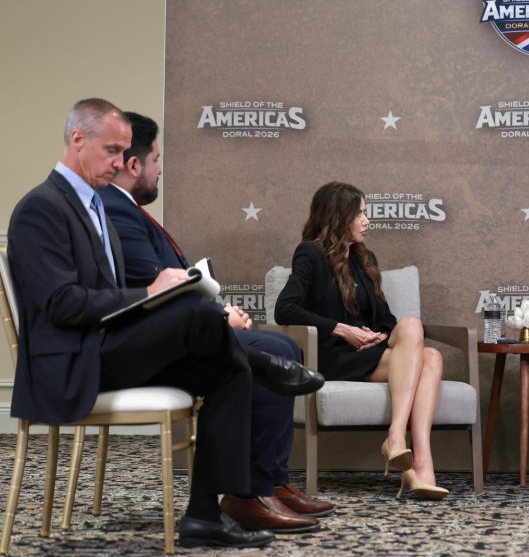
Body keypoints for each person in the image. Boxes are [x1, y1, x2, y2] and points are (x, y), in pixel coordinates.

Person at [6, 98, 323, 549]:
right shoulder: (41, 208)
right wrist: (152, 293)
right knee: (197, 311)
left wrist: (159, 295)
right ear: (78, 139)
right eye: (112, 151)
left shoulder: (94, 206)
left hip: (104, 348)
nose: (120, 164)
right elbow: (60, 304)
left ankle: (203, 517)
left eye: (124, 153)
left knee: (232, 370)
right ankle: (264, 361)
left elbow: (106, 300)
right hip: (73, 363)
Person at [98, 112, 334, 533]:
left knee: (278, 349)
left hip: (174, 333)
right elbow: (152, 287)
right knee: (276, 350)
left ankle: (269, 484)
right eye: (157, 159)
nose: (160, 168)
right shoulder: (118, 212)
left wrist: (217, 310)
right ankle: (250, 493)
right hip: (149, 348)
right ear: (134, 166)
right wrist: (220, 313)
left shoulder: (125, 210)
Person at [275, 181, 448, 500]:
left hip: (369, 352)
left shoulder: (364, 258)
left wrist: (377, 335)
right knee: (429, 356)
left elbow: (385, 317)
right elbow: (285, 308)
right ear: (337, 217)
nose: (367, 221)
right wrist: (342, 329)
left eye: (366, 213)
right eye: (359, 214)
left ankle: (415, 457)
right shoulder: (310, 253)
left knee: (423, 343)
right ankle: (409, 454)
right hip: (334, 355)